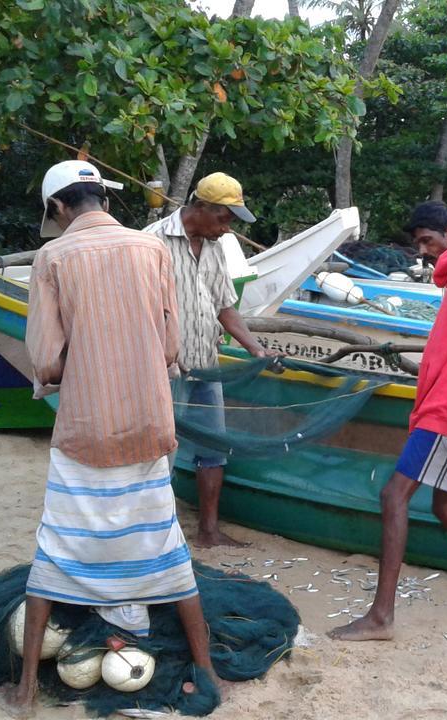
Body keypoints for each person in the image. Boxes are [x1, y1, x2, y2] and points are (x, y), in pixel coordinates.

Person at [0, 161, 214, 717]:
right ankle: (208, 671)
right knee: (163, 545)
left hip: (85, 432)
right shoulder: (151, 250)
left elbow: (46, 356)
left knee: (58, 547)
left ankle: (24, 690)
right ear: (103, 201)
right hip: (149, 427)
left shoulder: (52, 257)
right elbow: (170, 345)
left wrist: (49, 377)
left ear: (58, 208)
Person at [329, 201, 447, 641]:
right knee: (446, 505)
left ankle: (381, 618)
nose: (423, 251)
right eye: (418, 243)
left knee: (394, 496)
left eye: (428, 241)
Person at [143, 172, 272, 548]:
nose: (228, 227)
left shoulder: (216, 247)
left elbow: (224, 306)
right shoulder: (152, 242)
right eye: (224, 218)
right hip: (165, 369)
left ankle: (209, 532)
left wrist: (255, 348)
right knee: (160, 451)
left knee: (214, 448)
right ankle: (156, 535)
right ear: (200, 208)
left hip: (206, 365)